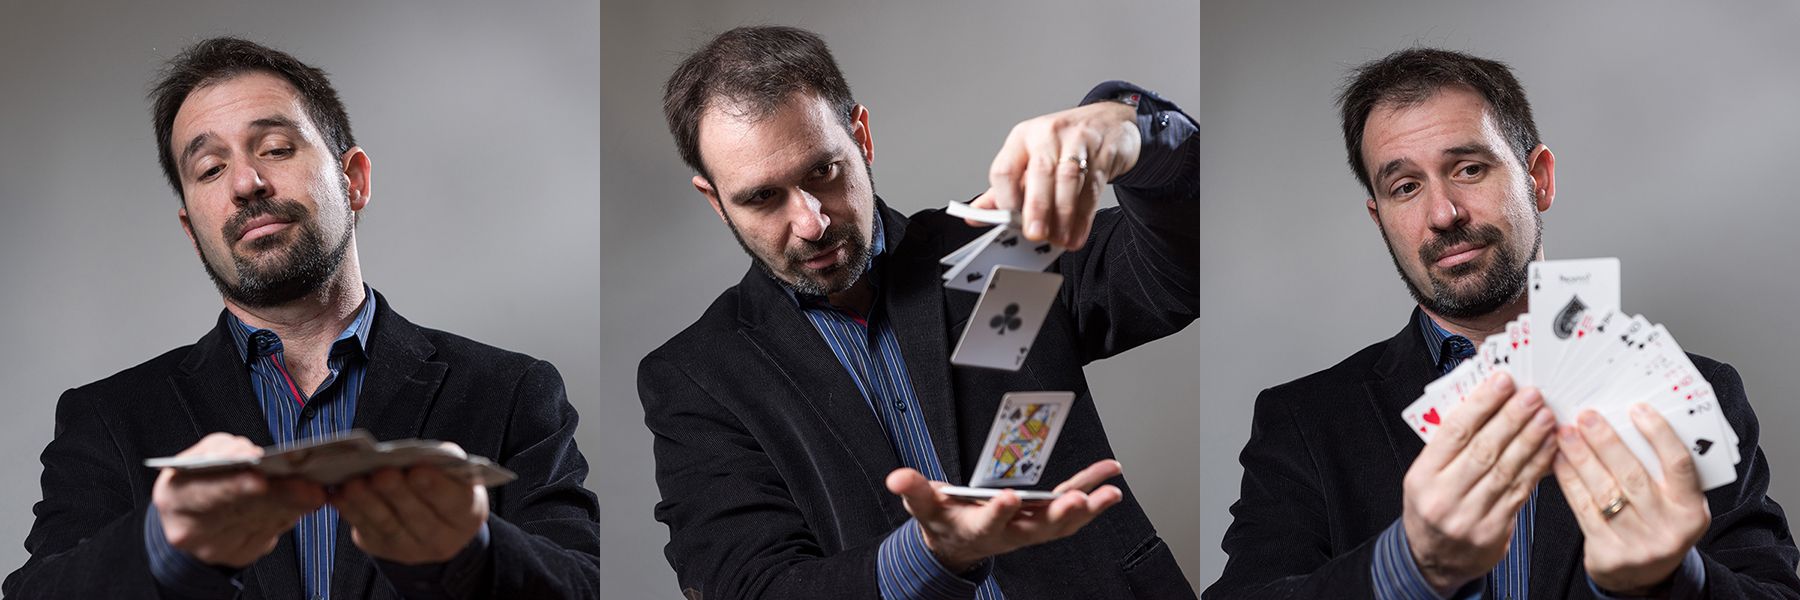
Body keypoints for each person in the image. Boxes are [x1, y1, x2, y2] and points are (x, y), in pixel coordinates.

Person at [2, 37, 600, 599]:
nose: (246, 182)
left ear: (354, 181)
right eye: (209, 169)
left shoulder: (512, 392)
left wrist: (471, 554)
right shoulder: (107, 418)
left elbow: (584, 582)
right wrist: (164, 549)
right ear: (192, 230)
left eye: (275, 149)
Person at [1205, 48, 1800, 599]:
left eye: (1468, 169)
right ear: (1379, 217)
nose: (1443, 214)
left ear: (1538, 179)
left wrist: (1671, 581)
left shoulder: (1703, 392)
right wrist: (1405, 567)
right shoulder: (1304, 422)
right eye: (1405, 187)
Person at [639, 25, 1198, 600]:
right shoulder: (699, 377)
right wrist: (930, 556)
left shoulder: (999, 252)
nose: (811, 223)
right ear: (715, 200)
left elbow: (1182, 277)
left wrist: (1134, 133)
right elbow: (750, 586)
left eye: (822, 172)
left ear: (861, 137)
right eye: (762, 197)